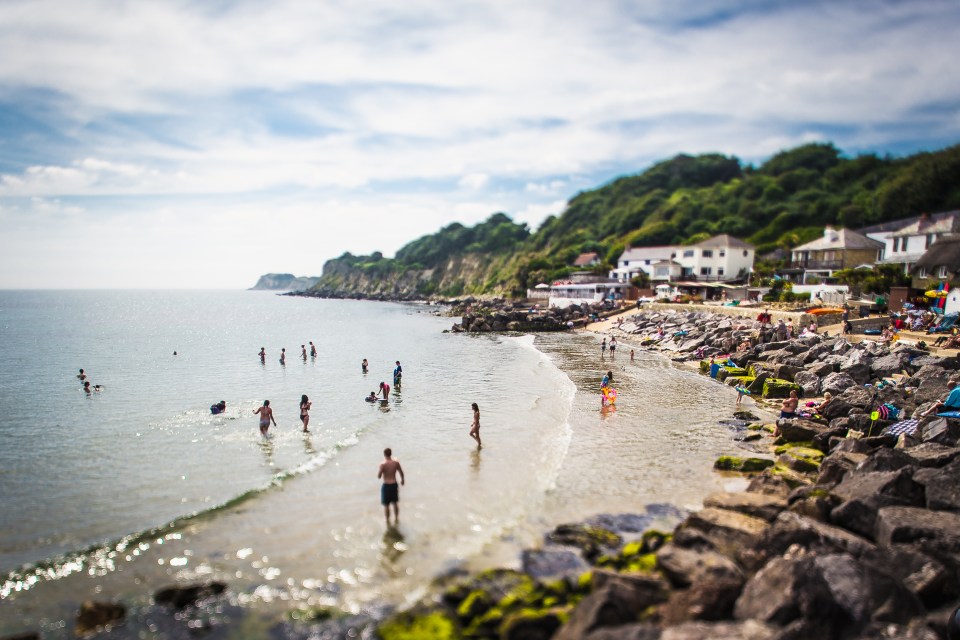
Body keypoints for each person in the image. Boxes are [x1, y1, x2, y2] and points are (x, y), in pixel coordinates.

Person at [378, 448, 405, 526]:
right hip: (394, 484)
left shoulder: (383, 464)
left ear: (384, 454)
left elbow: (379, 476)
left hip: (386, 485)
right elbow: (401, 472)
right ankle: (396, 518)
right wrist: (402, 480)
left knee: (386, 505)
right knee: (395, 503)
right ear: (391, 453)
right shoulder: (396, 462)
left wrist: (382, 470)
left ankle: (387, 520)